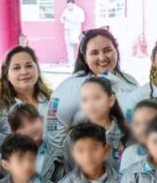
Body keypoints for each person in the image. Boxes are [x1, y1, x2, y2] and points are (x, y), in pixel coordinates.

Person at [45, 28, 138, 160]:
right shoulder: (67, 88)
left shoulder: (130, 82)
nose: (102, 57)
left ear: (116, 51)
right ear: (85, 57)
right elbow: (52, 127)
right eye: (94, 53)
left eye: (108, 50)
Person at [0, 46, 51, 135]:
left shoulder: (53, 97)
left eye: (29, 66)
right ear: (6, 74)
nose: (24, 72)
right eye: (16, 68)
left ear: (37, 69)